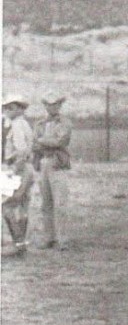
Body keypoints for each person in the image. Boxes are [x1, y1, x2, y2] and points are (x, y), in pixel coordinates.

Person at [32, 92, 73, 250]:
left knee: (60, 202)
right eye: (49, 104)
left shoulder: (65, 122)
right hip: (43, 162)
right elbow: (34, 143)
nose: (52, 107)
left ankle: (62, 239)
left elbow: (61, 141)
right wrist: (46, 143)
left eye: (55, 104)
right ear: (45, 106)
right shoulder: (40, 123)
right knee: (45, 202)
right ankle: (49, 237)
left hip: (58, 163)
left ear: (60, 105)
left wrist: (42, 141)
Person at [2, 95, 35, 256]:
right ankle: (21, 244)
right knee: (22, 206)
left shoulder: (17, 125)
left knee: (6, 206)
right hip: (26, 168)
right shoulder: (21, 123)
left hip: (20, 168)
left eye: (12, 107)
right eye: (6, 107)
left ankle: (18, 243)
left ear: (21, 109)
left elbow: (21, 151)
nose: (8, 110)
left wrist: (14, 171)